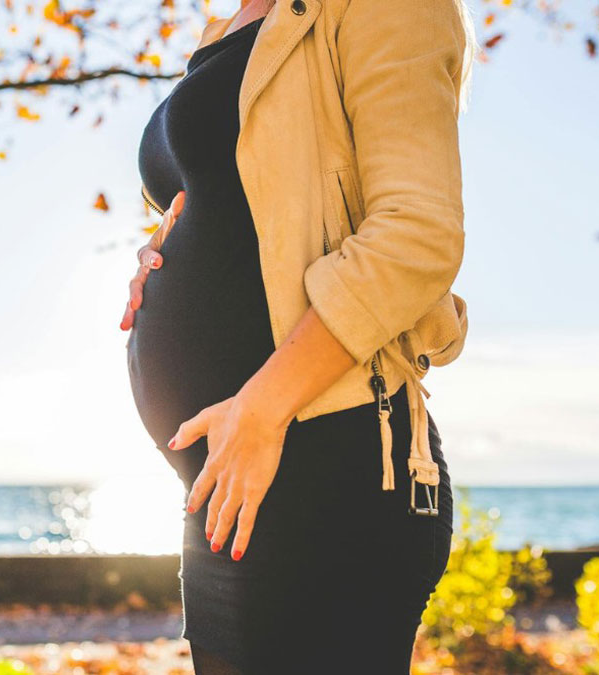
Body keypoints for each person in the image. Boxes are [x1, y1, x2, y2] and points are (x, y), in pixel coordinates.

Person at [119, 0, 476, 672]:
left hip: (327, 459)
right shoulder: (231, 26)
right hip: (226, 477)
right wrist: (159, 251)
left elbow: (418, 233)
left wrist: (264, 405)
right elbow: (241, 203)